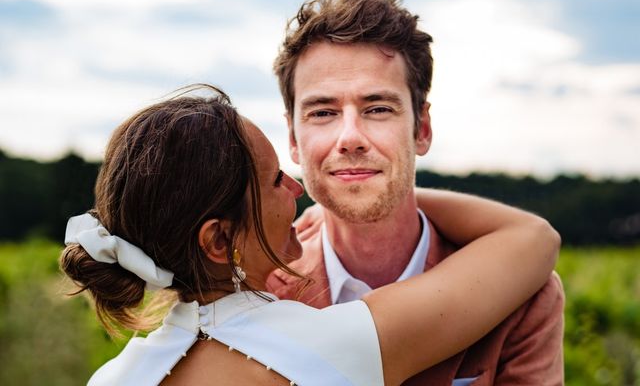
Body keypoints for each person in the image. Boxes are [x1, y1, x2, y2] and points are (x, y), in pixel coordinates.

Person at [60, 86, 560, 386]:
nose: (299, 188)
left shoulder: (114, 377)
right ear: (218, 242)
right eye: (276, 179)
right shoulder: (328, 346)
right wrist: (363, 190)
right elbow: (531, 238)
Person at [268, 0, 565, 384]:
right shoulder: (260, 292)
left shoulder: (522, 292)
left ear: (421, 128)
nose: (350, 138)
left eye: (377, 108)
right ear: (293, 140)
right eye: (322, 113)